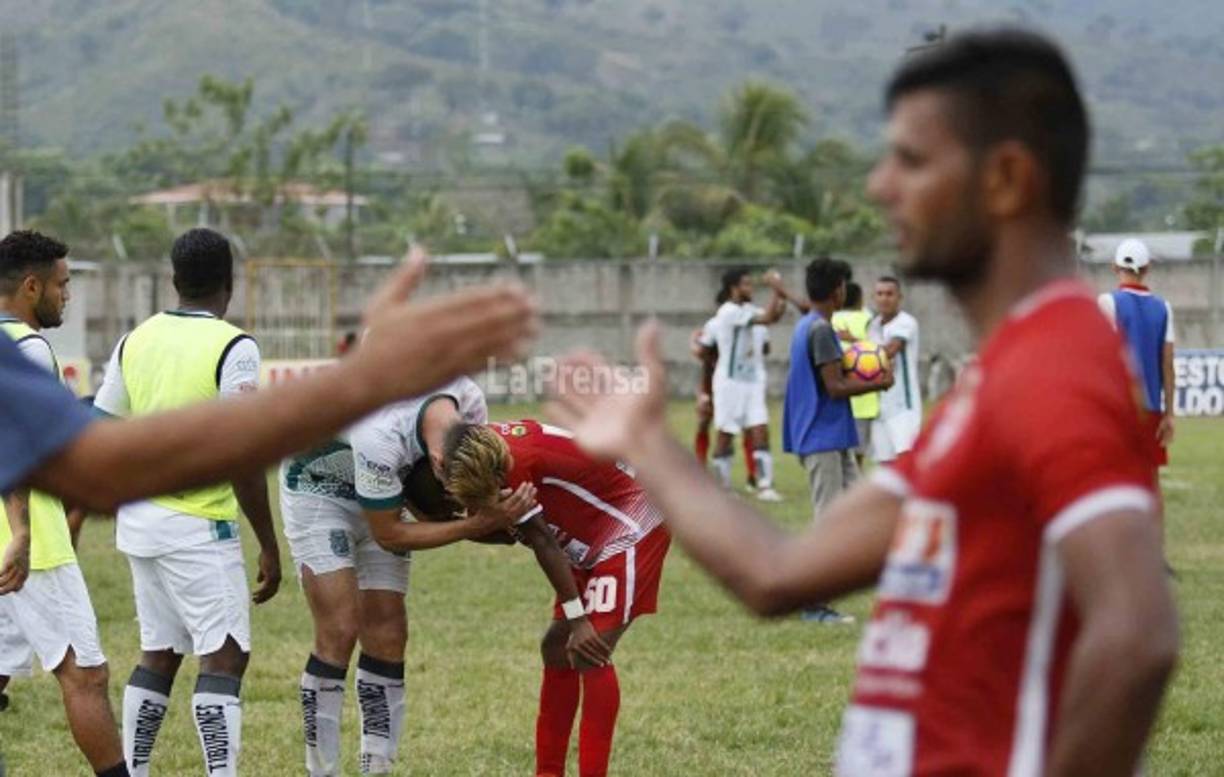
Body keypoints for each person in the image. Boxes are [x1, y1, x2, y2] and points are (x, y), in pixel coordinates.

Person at [546, 29, 1177, 776]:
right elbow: (778, 571)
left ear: (1006, 178)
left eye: (911, 160)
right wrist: (646, 444)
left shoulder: (1057, 367)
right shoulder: (999, 381)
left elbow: (1139, 631)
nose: (881, 184)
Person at [91, 229, 282, 776]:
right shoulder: (233, 345)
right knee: (224, 656)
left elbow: (101, 428)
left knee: (160, 652)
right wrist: (268, 542)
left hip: (140, 524)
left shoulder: (134, 340)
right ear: (230, 283)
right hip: (199, 527)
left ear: (173, 282)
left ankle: (139, 768)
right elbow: (241, 454)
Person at [282, 376, 529, 776]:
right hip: (321, 485)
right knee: (340, 629)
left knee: (389, 631)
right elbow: (390, 532)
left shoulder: (470, 402)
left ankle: (376, 770)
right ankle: (321, 772)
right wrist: (473, 527)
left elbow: (463, 500)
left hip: (389, 490)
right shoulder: (380, 434)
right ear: (437, 463)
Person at [442, 419, 670, 777]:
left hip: (631, 521)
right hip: (584, 534)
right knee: (555, 647)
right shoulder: (481, 452)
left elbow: (542, 541)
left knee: (588, 650)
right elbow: (505, 531)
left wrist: (579, 620)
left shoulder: (513, 464)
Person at [0, 231, 128, 777]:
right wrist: (23, 532)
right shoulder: (28, 351)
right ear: (32, 287)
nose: (67, 297)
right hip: (31, 546)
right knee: (85, 674)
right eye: (62, 285)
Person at [1097, 238, 1175, 527]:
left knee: (1111, 484)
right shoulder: (1164, 309)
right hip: (1152, 408)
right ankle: (1157, 557)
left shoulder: (1107, 303)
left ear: (1114, 267)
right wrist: (1170, 413)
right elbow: (1167, 362)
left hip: (1119, 409)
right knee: (1151, 482)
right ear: (1148, 268)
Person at [696, 268, 788, 501]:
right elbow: (767, 317)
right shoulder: (727, 312)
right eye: (746, 284)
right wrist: (776, 290)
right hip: (730, 383)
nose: (751, 288)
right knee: (726, 434)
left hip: (754, 383)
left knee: (760, 430)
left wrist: (781, 294)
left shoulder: (751, 311)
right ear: (733, 288)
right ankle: (722, 489)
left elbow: (773, 318)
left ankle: (765, 486)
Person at [866, 276, 923, 463]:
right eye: (880, 294)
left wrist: (855, 351)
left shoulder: (906, 322)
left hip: (903, 405)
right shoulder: (873, 325)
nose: (884, 298)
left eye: (890, 294)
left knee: (906, 461)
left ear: (900, 297)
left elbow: (890, 350)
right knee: (885, 464)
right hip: (880, 405)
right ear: (874, 297)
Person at [831, 282, 880, 470]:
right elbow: (877, 348)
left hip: (838, 390)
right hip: (864, 395)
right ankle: (855, 478)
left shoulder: (832, 318)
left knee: (841, 447)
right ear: (860, 299)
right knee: (858, 451)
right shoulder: (867, 319)